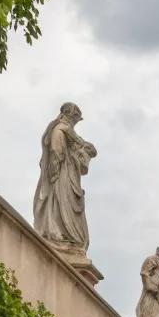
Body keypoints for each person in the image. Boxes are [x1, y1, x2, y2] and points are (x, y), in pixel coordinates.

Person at [33, 103, 96, 251]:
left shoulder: (69, 132)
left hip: (68, 174)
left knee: (68, 205)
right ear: (70, 116)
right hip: (61, 176)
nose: (75, 123)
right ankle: (60, 235)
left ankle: (68, 237)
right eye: (75, 119)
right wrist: (54, 173)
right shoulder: (59, 130)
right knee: (61, 204)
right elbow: (57, 151)